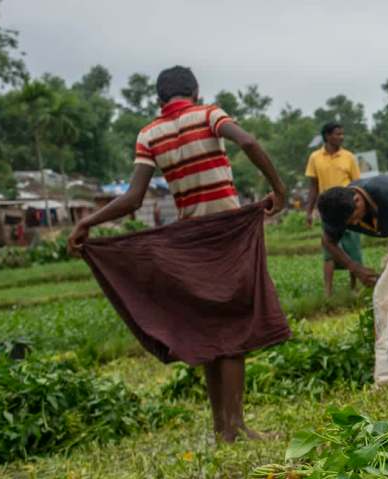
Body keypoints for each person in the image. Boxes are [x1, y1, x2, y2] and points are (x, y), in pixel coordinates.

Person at [68, 65, 287, 443]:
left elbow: (133, 198)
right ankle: (234, 427)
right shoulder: (209, 114)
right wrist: (279, 190)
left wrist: (87, 221)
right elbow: (249, 142)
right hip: (227, 232)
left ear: (159, 99)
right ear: (195, 91)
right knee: (234, 327)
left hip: (191, 238)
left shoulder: (149, 134)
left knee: (211, 330)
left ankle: (223, 428)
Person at [305, 122, 364, 296]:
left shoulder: (349, 157)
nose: (341, 137)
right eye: (338, 134)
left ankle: (354, 288)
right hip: (328, 210)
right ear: (327, 136)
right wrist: (309, 211)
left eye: (342, 134)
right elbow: (313, 186)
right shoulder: (315, 157)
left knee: (353, 249)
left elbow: (357, 184)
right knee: (329, 251)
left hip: (349, 209)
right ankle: (328, 292)